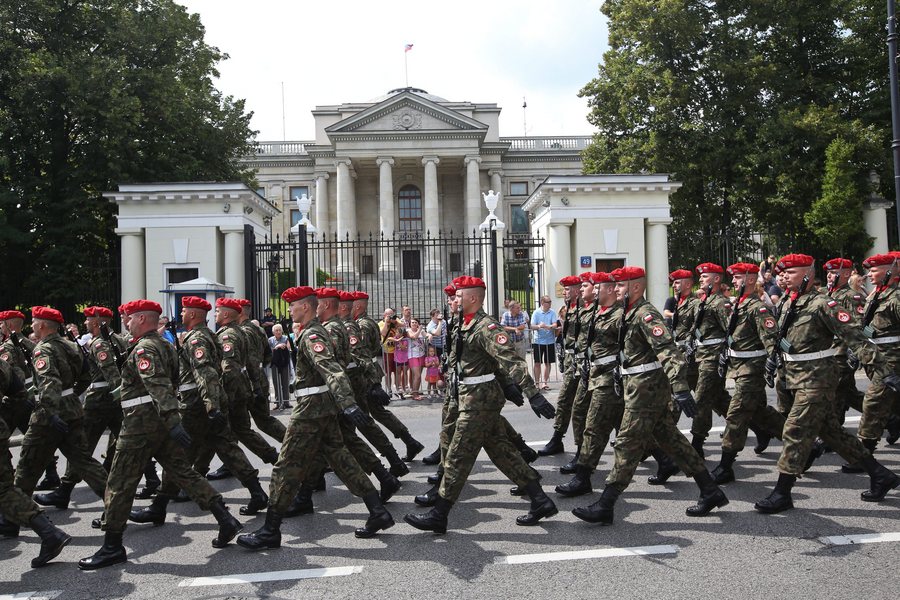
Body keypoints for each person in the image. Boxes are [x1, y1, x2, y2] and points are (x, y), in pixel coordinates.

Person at [78, 299, 244, 570]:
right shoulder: (164, 344)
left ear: (142, 319)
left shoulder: (144, 348)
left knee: (120, 482)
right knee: (182, 472)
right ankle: (225, 518)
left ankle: (111, 546)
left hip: (141, 424)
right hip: (158, 422)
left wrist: (172, 419)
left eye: (130, 319)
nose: (127, 323)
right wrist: (171, 421)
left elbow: (158, 385)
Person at [236, 286, 394, 550]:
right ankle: (377, 511)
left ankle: (271, 529)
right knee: (341, 459)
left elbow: (332, 369)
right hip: (321, 406)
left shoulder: (312, 334)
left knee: (285, 465)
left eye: (292, 306)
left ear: (305, 307)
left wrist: (349, 404)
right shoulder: (314, 331)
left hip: (310, 409)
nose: (288, 310)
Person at [572, 266, 728, 524]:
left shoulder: (645, 314)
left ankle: (606, 503)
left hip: (647, 388)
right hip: (636, 383)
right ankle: (710, 490)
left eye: (620, 285)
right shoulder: (628, 313)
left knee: (626, 443)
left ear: (634, 287)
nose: (616, 290)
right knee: (672, 440)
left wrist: (679, 388)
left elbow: (668, 349)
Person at [405, 276, 557, 533]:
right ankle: (540, 500)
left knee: (457, 456)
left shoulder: (486, 327)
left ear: (473, 298)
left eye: (460, 295)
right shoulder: (465, 324)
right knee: (502, 453)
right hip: (470, 398)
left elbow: (510, 360)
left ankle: (439, 514)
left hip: (479, 403)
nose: (455, 299)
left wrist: (533, 394)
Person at [754, 253, 900, 513]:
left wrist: (883, 370)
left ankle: (782, 493)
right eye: (782, 273)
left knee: (795, 430)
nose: (784, 276)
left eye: (791, 272)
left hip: (817, 377)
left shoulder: (824, 304)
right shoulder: (789, 302)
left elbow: (855, 336)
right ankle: (880, 475)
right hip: (794, 375)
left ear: (808, 274)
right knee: (833, 434)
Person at [127, 296, 269, 527]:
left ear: (192, 315)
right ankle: (257, 493)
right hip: (205, 403)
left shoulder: (197, 340)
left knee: (178, 456)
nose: (181, 315)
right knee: (226, 448)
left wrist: (211, 406)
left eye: (183, 311)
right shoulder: (205, 335)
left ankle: (160, 505)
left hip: (196, 405)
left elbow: (205, 373)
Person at [13, 307, 109, 509]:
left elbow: (49, 382)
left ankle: (13, 515)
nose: (32, 326)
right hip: (72, 409)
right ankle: (116, 503)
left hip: (48, 414)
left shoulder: (43, 349)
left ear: (42, 325)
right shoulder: (70, 346)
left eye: (34, 321)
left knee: (27, 465)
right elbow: (85, 375)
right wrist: (71, 395)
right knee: (84, 462)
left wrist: (50, 410)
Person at [35, 306, 125, 511]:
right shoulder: (118, 339)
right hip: (114, 400)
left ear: (96, 322)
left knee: (81, 450)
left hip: (100, 401)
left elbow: (111, 373)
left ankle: (65, 490)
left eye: (87, 319)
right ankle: (150, 478)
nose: (85, 323)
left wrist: (77, 394)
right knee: (125, 440)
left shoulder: (100, 343)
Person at [708, 263, 786, 484]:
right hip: (739, 368)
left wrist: (775, 365)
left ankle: (725, 466)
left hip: (753, 370)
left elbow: (772, 340)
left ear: (750, 280)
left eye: (738, 277)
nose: (733, 281)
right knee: (759, 413)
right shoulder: (738, 306)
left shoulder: (757, 308)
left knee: (737, 415)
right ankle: (806, 446)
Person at [538, 276, 584, 457]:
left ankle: (652, 449)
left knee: (591, 409)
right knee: (564, 402)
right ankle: (557, 439)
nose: (563, 292)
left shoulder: (585, 309)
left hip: (585, 366)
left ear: (576, 290)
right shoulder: (569, 309)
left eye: (567, 289)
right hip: (573, 364)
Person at [530, 296, 558, 390]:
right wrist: (539, 326)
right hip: (538, 341)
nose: (550, 303)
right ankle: (537, 383)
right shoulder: (536, 312)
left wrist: (548, 326)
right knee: (537, 363)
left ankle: (545, 383)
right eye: (548, 302)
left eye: (550, 301)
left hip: (549, 341)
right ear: (542, 302)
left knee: (548, 363)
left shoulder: (552, 312)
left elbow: (555, 324)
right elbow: (532, 325)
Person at [269, 324, 292, 410]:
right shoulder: (270, 340)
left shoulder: (286, 338)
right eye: (276, 330)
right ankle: (278, 402)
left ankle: (286, 401)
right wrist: (277, 346)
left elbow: (288, 347)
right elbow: (269, 350)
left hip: (284, 363)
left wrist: (282, 346)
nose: (278, 332)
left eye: (279, 330)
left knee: (285, 382)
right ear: (273, 332)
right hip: (274, 363)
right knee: (276, 383)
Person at [378, 309, 400, 394]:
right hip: (387, 351)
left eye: (392, 314)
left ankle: (398, 389)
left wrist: (396, 323)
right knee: (388, 372)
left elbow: (402, 328)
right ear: (385, 315)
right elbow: (383, 333)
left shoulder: (395, 321)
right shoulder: (380, 324)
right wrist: (387, 323)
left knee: (397, 371)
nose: (391, 316)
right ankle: (389, 389)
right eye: (389, 315)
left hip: (397, 351)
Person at [407, 318, 426, 398]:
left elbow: (427, 336)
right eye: (412, 322)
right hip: (413, 355)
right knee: (417, 375)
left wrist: (430, 335)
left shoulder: (421, 330)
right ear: (410, 324)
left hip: (421, 354)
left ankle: (416, 391)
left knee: (419, 376)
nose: (414, 324)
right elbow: (413, 337)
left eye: (416, 322)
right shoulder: (408, 331)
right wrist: (420, 330)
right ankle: (415, 394)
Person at [392, 323, 410, 396]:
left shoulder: (405, 340)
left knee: (405, 372)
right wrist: (396, 339)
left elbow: (403, 348)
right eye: (396, 332)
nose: (397, 334)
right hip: (397, 358)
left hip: (405, 358)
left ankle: (405, 386)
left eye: (398, 333)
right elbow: (389, 339)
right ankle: (398, 387)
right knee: (398, 373)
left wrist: (399, 340)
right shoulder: (395, 338)